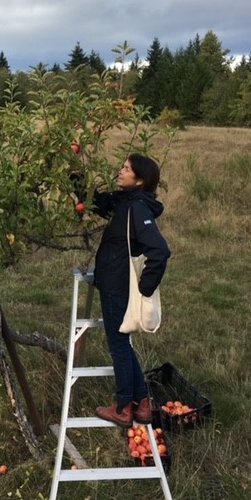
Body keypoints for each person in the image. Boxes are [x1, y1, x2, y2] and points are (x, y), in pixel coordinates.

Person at [92, 153, 171, 428]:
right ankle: (144, 404)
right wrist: (76, 176)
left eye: (126, 169)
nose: (120, 171)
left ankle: (125, 407)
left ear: (139, 180)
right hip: (114, 280)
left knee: (118, 345)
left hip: (117, 284)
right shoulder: (125, 201)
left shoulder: (137, 208)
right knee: (122, 343)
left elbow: (160, 251)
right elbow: (97, 203)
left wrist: (145, 287)